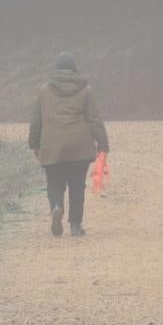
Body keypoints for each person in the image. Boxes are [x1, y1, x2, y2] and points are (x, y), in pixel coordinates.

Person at [28, 52, 109, 237]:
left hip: (52, 145)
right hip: (79, 146)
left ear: (57, 69)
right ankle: (75, 225)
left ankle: (56, 206)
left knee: (54, 182)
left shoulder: (45, 90)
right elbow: (95, 119)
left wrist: (34, 143)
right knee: (77, 185)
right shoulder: (85, 89)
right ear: (74, 68)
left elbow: (36, 120)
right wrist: (103, 144)